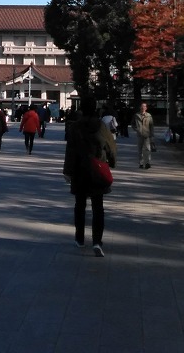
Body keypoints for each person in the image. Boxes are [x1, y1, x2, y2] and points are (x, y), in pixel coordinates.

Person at [62, 93, 116, 256]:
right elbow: (111, 146)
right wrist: (112, 161)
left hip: (79, 169)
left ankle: (79, 238)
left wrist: (67, 171)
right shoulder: (101, 126)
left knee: (80, 205)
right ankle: (97, 241)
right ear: (95, 108)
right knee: (98, 206)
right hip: (97, 168)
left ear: (81, 108)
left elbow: (70, 150)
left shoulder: (75, 127)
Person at [133, 102, 155, 169]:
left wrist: (152, 135)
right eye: (142, 106)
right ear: (140, 107)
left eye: (144, 106)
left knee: (147, 149)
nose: (143, 108)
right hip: (139, 135)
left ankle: (147, 163)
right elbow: (133, 124)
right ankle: (141, 163)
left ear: (146, 108)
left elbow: (151, 126)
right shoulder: (136, 115)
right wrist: (137, 129)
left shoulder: (149, 116)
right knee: (140, 150)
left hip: (147, 135)